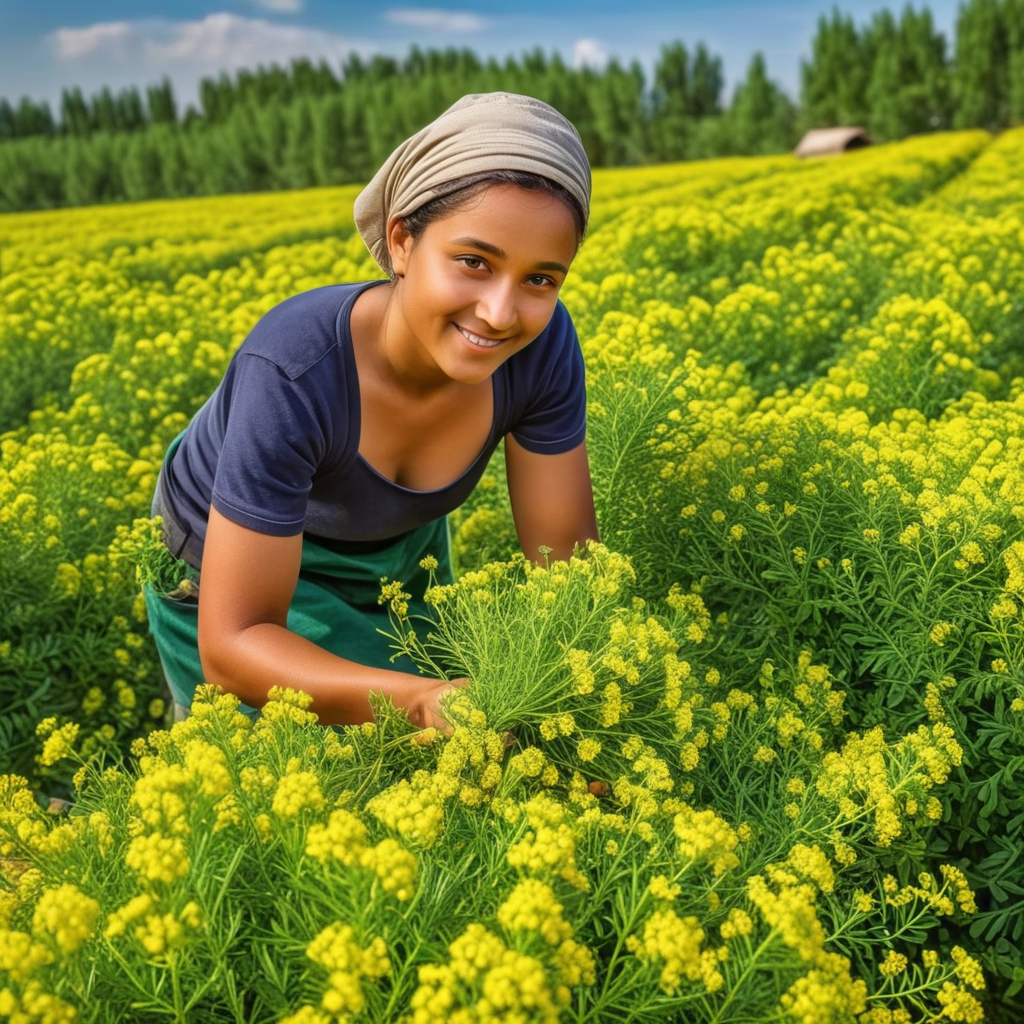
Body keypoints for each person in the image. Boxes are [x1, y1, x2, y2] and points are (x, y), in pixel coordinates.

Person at [144, 92, 599, 730]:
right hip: (228, 568)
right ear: (402, 241)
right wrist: (419, 700)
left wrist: (585, 706)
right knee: (286, 783)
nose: (501, 312)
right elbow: (238, 641)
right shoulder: (293, 370)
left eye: (541, 280)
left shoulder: (542, 348)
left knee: (432, 747)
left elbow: (568, 569)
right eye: (474, 262)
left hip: (395, 549)